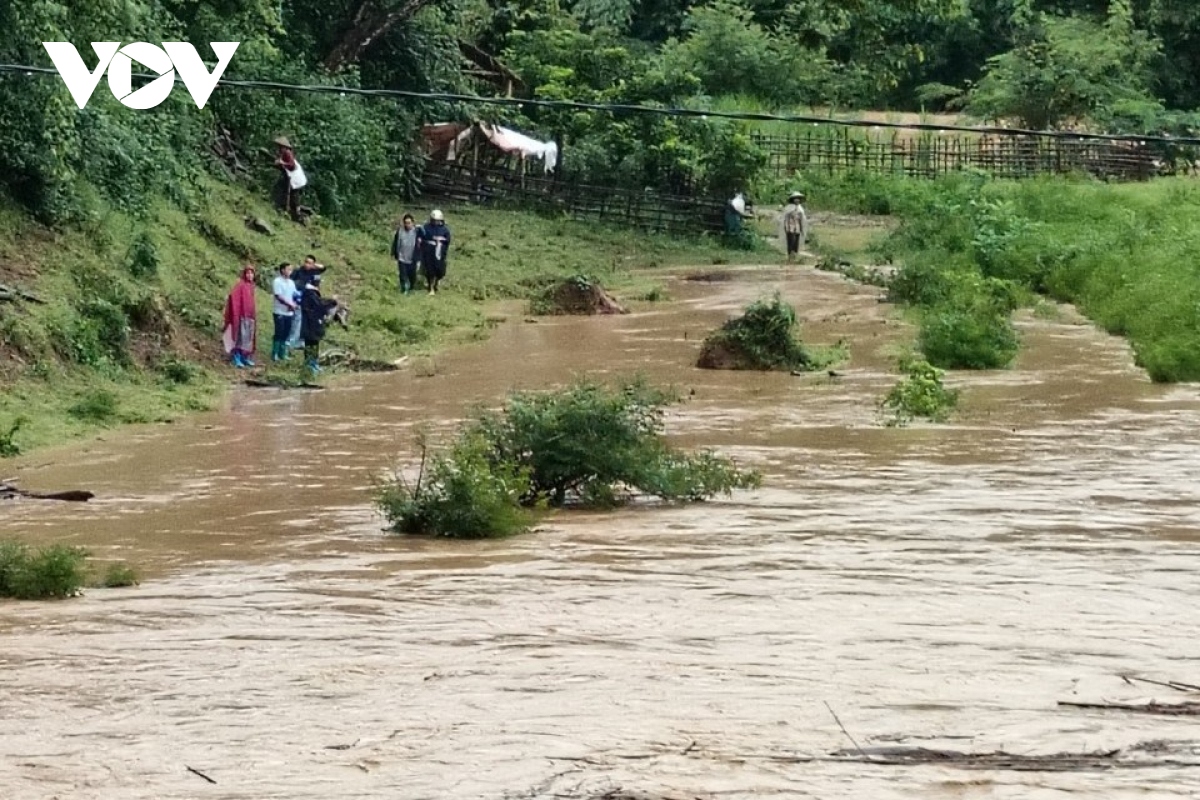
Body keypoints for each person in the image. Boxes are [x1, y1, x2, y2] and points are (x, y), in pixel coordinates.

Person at [299, 274, 340, 373]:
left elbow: (320, 302)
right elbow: (319, 305)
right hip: (310, 323)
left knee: (315, 343)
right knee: (310, 343)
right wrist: (332, 301)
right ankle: (309, 364)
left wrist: (331, 301)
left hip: (314, 323)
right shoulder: (309, 293)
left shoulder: (313, 293)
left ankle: (314, 362)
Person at [287, 255, 327, 350]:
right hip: (298, 299)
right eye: (306, 262)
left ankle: (301, 341)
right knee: (295, 321)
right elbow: (292, 282)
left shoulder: (314, 272)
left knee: (305, 322)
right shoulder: (298, 271)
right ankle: (291, 341)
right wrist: (307, 286)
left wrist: (314, 265)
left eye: (310, 263)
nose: (307, 264)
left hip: (310, 301)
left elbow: (323, 268)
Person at [222, 264, 258, 368]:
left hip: (250, 316)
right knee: (240, 337)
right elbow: (233, 297)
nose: (250, 275)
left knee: (248, 337)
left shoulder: (251, 286)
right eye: (248, 273)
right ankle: (236, 357)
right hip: (242, 315)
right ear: (244, 274)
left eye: (251, 273)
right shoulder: (240, 285)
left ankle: (244, 357)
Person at [273, 136, 307, 222]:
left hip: (295, 178)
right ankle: (288, 210)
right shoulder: (283, 153)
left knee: (294, 196)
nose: (279, 148)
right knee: (286, 192)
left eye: (280, 147)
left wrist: (282, 163)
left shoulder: (287, 153)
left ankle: (297, 214)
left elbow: (291, 165)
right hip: (291, 177)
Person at [417, 209, 451, 294]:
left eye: (437, 221)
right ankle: (431, 287)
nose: (436, 222)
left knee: (440, 271)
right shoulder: (426, 227)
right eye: (434, 220)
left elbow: (447, 240)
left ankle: (436, 283)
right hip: (429, 253)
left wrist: (441, 240)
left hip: (439, 254)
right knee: (430, 270)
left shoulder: (444, 230)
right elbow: (421, 237)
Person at [270, 262, 298, 362]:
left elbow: (295, 295)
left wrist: (295, 303)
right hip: (279, 311)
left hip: (289, 312)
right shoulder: (277, 281)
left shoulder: (291, 282)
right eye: (288, 269)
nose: (290, 271)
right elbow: (278, 296)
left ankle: (282, 353)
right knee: (279, 332)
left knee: (286, 332)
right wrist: (289, 304)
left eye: (291, 269)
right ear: (282, 270)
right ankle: (275, 353)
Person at [391, 213, 419, 294]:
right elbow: (395, 243)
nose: (407, 225)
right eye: (406, 223)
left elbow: (422, 241)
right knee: (403, 274)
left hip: (412, 258)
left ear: (412, 223)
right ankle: (404, 288)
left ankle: (411, 287)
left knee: (412, 275)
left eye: (409, 223)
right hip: (402, 257)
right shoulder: (400, 231)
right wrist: (394, 253)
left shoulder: (416, 232)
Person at [782, 191, 809, 262]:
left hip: (797, 228)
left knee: (796, 243)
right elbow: (785, 219)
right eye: (795, 198)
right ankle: (790, 256)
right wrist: (786, 227)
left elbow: (802, 220)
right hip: (790, 228)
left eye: (798, 199)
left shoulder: (800, 209)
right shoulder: (788, 208)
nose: (797, 200)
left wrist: (802, 229)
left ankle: (795, 256)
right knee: (791, 242)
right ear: (792, 199)